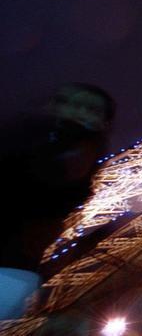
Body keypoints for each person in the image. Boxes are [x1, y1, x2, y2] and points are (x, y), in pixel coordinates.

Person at [0, 83, 115, 320]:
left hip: (9, 269)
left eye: (89, 108)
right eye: (66, 103)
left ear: (103, 123)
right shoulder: (33, 137)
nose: (76, 111)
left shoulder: (72, 153)